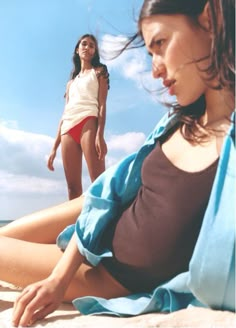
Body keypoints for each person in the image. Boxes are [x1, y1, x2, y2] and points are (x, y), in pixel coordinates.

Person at [0, 0, 235, 326]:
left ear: (209, 20)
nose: (155, 69)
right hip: (94, 217)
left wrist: (62, 278)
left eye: (161, 44)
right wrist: (58, 278)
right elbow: (113, 187)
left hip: (105, 273)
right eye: (150, 52)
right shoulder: (175, 123)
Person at [47, 34, 109, 200]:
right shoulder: (70, 83)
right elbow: (64, 114)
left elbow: (102, 104)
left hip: (88, 121)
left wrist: (100, 135)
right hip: (68, 128)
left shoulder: (99, 72)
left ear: (94, 52)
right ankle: (76, 226)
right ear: (77, 49)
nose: (87, 47)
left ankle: (109, 225)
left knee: (99, 182)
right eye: (84, 44)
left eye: (91, 46)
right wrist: (54, 148)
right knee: (72, 188)